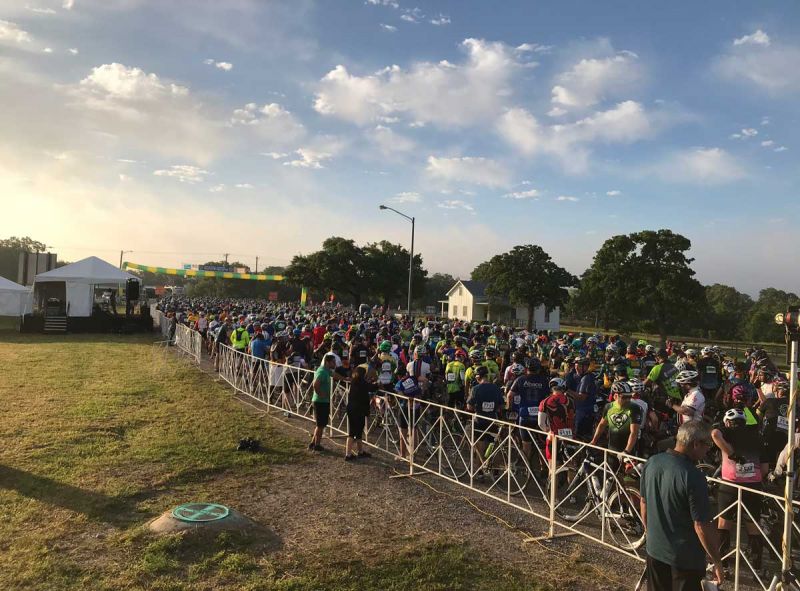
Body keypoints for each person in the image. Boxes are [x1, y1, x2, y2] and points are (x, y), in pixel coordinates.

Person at [640, 421, 723, 590]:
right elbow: (701, 526)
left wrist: (650, 533)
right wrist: (716, 560)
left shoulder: (652, 462)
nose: (709, 449)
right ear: (696, 444)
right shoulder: (694, 476)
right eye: (708, 445)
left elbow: (644, 503)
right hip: (686, 560)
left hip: (655, 551)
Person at [711, 407, 767, 570]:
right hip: (753, 485)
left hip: (730, 484)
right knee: (753, 524)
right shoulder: (758, 437)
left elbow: (714, 434)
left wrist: (732, 454)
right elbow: (764, 469)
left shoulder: (728, 432)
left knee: (724, 524)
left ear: (728, 422)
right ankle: (756, 565)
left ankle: (722, 565)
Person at [466, 365, 505, 474]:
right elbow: (502, 406)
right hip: (493, 420)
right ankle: (496, 472)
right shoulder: (495, 388)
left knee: (480, 447)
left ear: (478, 377)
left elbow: (469, 407)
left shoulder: (476, 389)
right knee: (495, 447)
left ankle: (479, 473)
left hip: (480, 420)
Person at [309, 353, 345, 451]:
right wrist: (321, 394)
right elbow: (315, 384)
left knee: (320, 424)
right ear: (327, 362)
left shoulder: (326, 370)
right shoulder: (322, 372)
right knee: (320, 425)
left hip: (322, 401)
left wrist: (345, 379)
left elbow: (334, 374)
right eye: (333, 362)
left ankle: (313, 443)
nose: (335, 364)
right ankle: (317, 445)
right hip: (320, 402)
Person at [345, 365, 377, 461]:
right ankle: (348, 454)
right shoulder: (362, 382)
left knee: (357, 431)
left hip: (352, 408)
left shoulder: (354, 381)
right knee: (353, 432)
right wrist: (377, 384)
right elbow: (371, 387)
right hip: (358, 410)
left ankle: (360, 451)